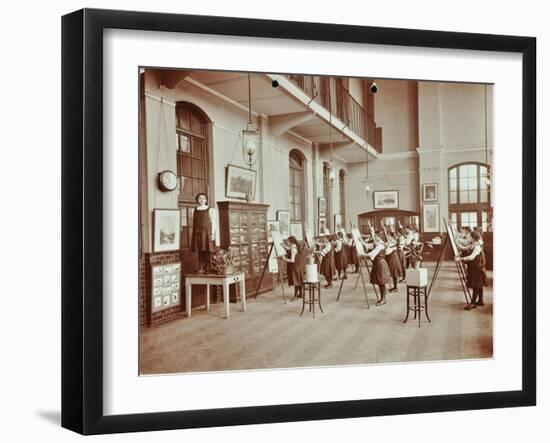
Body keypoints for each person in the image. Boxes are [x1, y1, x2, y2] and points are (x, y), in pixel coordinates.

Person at [455, 230, 487, 309]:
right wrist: (456, 242)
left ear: (473, 238)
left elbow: (471, 257)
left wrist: (460, 259)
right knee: (479, 285)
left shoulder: (477, 246)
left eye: (470, 236)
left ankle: (473, 303)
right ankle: (480, 301)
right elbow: (463, 247)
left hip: (477, 268)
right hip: (475, 267)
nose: (468, 238)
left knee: (476, 285)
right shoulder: (474, 244)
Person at [191, 192, 217, 273]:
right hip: (198, 233)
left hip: (207, 233)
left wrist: (213, 234)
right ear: (197, 200)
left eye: (203, 198)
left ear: (206, 200)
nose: (201, 200)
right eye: (199, 198)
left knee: (208, 250)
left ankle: (208, 268)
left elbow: (214, 222)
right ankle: (201, 267)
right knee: (200, 250)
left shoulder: (211, 210)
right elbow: (193, 223)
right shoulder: (193, 210)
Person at [366, 231, 392, 306]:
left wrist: (363, 254)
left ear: (379, 237)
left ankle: (383, 299)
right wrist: (362, 242)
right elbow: (369, 245)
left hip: (380, 264)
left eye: (376, 236)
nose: (374, 237)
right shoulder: (377, 243)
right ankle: (383, 298)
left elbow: (372, 253)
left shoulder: (380, 245)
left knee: (381, 282)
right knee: (380, 282)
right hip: (378, 264)